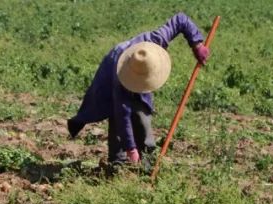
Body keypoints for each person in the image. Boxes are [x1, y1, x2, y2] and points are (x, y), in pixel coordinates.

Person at [67, 13, 209, 167]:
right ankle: (118, 163)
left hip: (135, 67)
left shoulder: (156, 40)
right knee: (116, 114)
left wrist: (197, 44)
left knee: (142, 113)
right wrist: (131, 148)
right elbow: (123, 114)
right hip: (110, 74)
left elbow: (180, 20)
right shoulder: (120, 76)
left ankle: (147, 160)